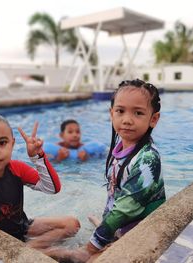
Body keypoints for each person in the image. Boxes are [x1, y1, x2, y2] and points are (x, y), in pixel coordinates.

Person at [47, 79, 166, 262]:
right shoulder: (120, 147)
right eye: (120, 111)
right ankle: (110, 234)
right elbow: (114, 194)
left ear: (154, 119)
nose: (127, 120)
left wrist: (89, 248)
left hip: (143, 230)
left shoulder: (147, 159)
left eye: (138, 113)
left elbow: (125, 209)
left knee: (82, 259)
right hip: (123, 224)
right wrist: (105, 226)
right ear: (112, 114)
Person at [0, 113, 80, 250]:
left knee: (72, 225)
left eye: (2, 143)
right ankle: (32, 252)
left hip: (21, 226)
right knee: (64, 254)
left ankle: (30, 248)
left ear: (12, 144)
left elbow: (52, 188)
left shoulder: (17, 169)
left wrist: (37, 157)